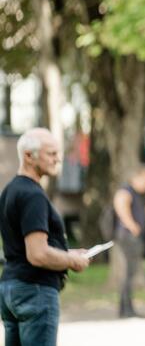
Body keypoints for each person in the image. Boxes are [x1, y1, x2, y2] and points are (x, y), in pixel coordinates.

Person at [0, 128, 90, 346]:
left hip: (11, 287)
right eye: (51, 153)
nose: (58, 159)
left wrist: (66, 253)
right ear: (29, 156)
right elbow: (37, 254)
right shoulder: (33, 195)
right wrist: (73, 261)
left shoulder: (10, 190)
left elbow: (25, 248)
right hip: (35, 290)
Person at [113, 163, 145, 318]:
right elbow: (121, 206)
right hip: (128, 237)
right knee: (129, 273)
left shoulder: (134, 193)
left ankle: (128, 308)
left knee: (131, 273)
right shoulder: (125, 191)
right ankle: (126, 310)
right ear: (137, 176)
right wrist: (132, 226)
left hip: (131, 236)